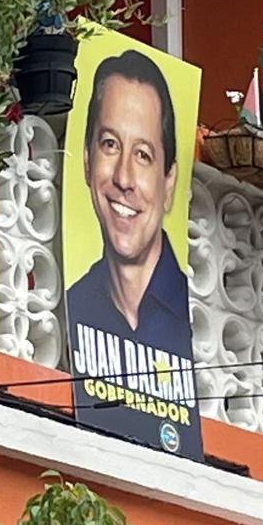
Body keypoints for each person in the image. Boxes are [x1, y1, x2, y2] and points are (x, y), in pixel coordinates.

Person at [64, 50, 189, 350]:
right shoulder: (71, 307)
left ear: (168, 181)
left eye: (143, 155)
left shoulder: (198, 321)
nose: (123, 177)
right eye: (110, 144)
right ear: (86, 160)